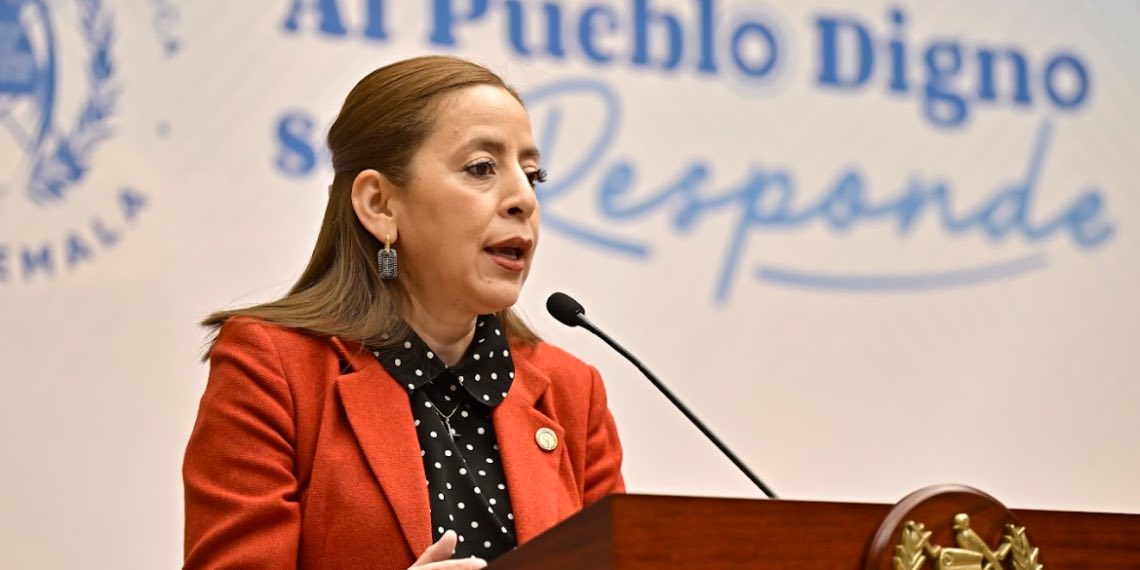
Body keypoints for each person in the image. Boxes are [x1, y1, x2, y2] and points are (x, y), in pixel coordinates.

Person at [182, 55, 625, 569]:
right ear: (380, 204)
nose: (523, 200)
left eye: (533, 175)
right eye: (482, 168)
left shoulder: (571, 391)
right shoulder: (273, 369)